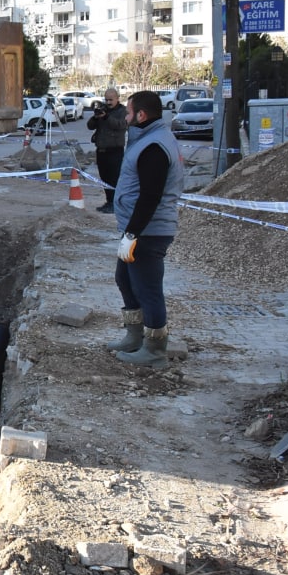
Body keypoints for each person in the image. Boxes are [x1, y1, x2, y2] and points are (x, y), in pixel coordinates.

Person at [108, 90, 184, 368]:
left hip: (148, 232)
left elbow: (151, 195)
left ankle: (154, 350)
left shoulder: (154, 146)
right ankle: (134, 337)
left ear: (141, 115)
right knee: (125, 279)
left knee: (147, 288)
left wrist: (132, 234)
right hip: (139, 229)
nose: (126, 117)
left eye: (128, 112)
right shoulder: (149, 140)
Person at [86, 88, 128, 213]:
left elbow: (120, 125)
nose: (108, 102)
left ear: (117, 98)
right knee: (104, 178)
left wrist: (106, 117)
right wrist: (95, 117)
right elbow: (89, 126)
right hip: (101, 150)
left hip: (115, 150)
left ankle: (115, 203)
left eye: (111, 99)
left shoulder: (122, 111)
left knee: (114, 178)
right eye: (106, 99)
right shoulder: (103, 109)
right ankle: (109, 201)